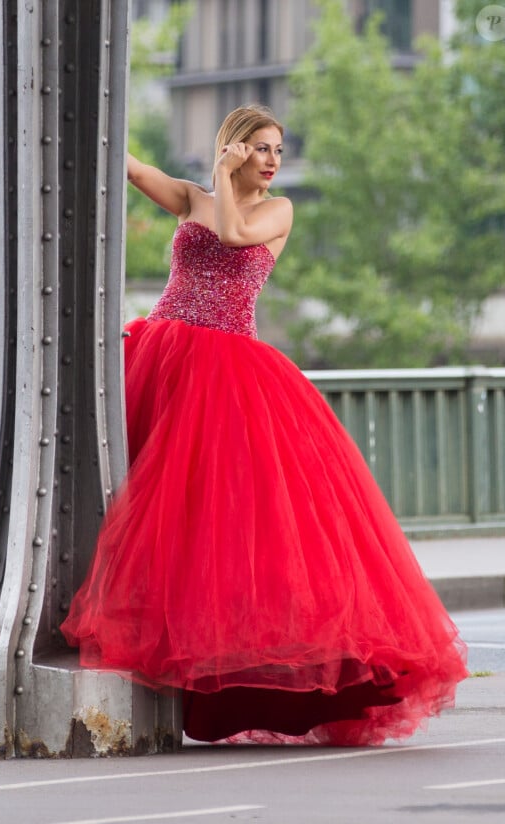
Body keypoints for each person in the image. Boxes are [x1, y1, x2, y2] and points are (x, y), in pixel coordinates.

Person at [61, 104, 468, 746]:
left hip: (228, 369)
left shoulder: (275, 212)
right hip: (161, 353)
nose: (273, 159)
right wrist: (90, 123)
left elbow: (229, 234)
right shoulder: (193, 196)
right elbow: (133, 171)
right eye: (261, 148)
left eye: (278, 149)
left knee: (218, 523)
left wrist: (224, 179)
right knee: (135, 507)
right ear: (234, 148)